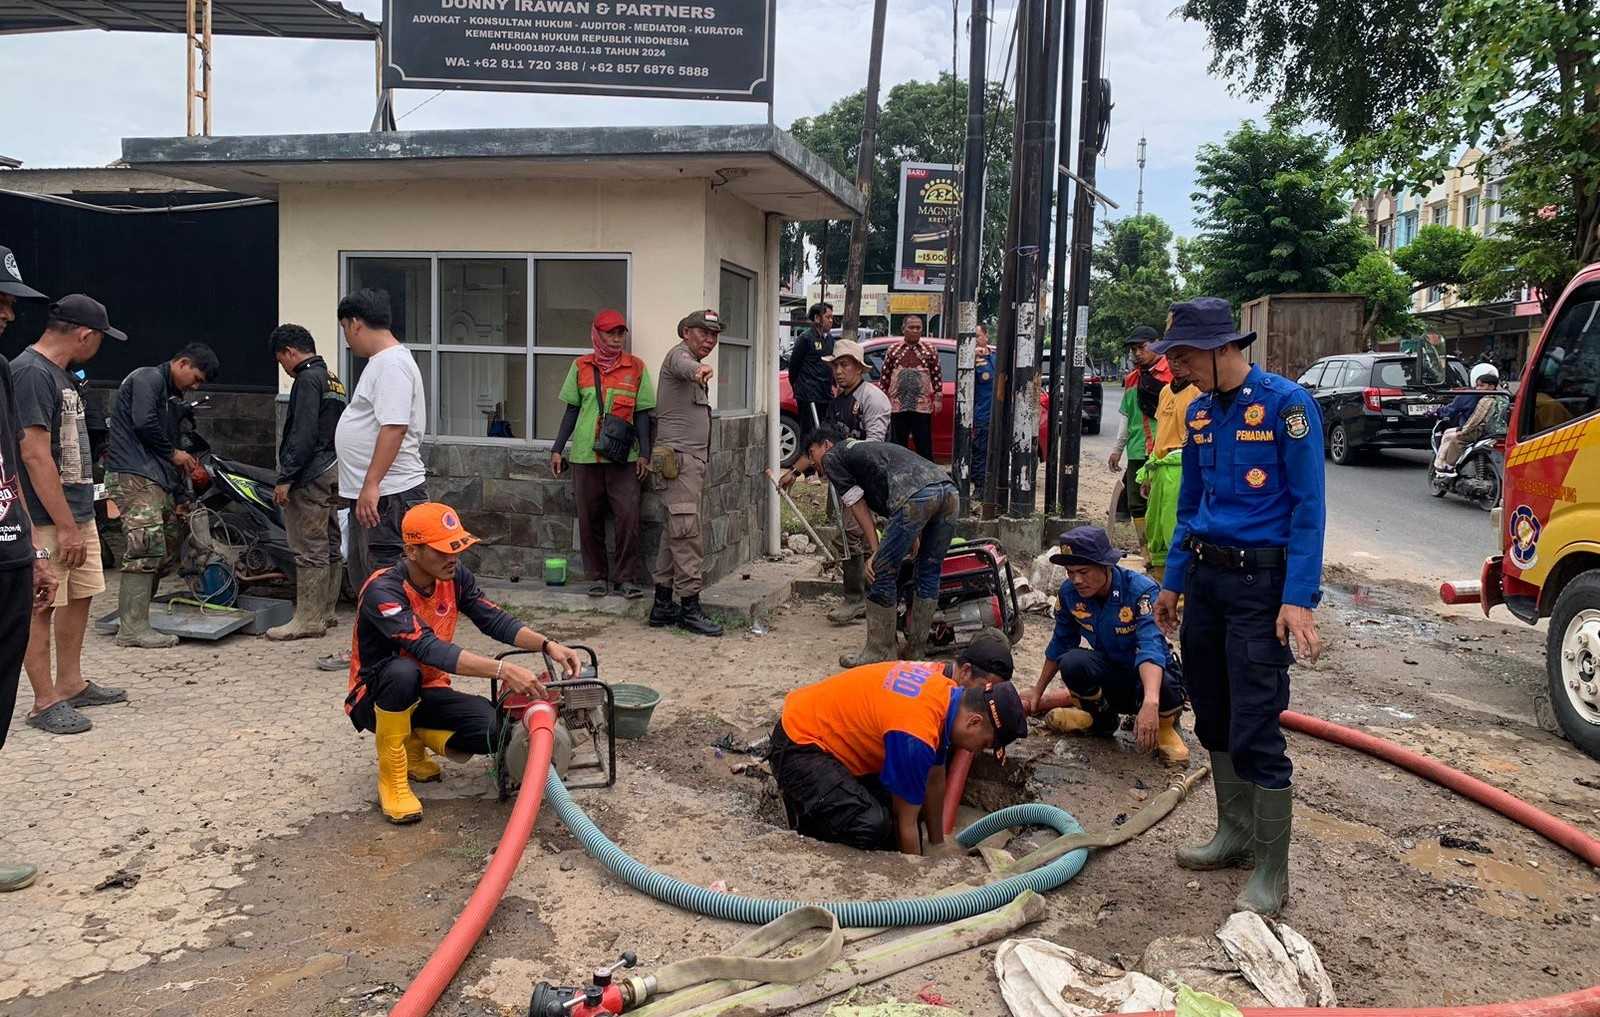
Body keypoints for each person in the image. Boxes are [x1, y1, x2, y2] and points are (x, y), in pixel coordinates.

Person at [1149, 297, 1326, 918]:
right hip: (1206, 582)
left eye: (1187, 357)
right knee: (1214, 714)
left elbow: (1309, 508)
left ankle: (1272, 872)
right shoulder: (1197, 415)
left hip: (1261, 587)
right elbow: (1191, 505)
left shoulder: (1287, 407)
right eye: (1174, 359)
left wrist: (1298, 599)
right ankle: (1235, 833)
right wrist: (1172, 582)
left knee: (1256, 723)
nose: (1179, 370)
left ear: (1227, 349)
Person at [345, 502, 581, 823]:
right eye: (442, 551)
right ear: (412, 551)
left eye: (456, 548)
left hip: (427, 690)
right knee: (402, 672)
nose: (452, 558)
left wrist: (547, 644)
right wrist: (502, 670)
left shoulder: (454, 577)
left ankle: (415, 742)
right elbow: (428, 648)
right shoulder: (383, 590)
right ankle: (392, 779)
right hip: (374, 697)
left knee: (493, 731)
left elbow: (493, 619)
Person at [768, 650, 1028, 855]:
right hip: (799, 746)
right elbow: (906, 823)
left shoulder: (945, 695)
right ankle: (805, 826)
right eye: (984, 743)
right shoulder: (916, 733)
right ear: (973, 721)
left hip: (825, 737)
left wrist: (938, 843)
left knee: (893, 810)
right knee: (873, 825)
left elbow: (936, 778)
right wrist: (917, 874)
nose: (976, 750)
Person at [14, 296, 128, 735]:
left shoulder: (59, 375)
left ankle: (71, 683)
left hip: (76, 508)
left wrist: (80, 518)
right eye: (100, 338)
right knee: (41, 604)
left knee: (80, 594)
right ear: (86, 335)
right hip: (46, 516)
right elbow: (34, 454)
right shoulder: (29, 373)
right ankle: (43, 702)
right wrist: (63, 526)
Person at [0, 245, 64, 891]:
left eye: (10, 297)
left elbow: (8, 466)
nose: (8, 309)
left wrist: (31, 547)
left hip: (11, 555)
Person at [324, 288, 428, 671]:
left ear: (355, 323)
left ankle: (400, 653)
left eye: (345, 329)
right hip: (372, 494)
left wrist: (371, 486)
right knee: (368, 580)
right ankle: (370, 650)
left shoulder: (391, 365)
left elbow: (394, 427)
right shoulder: (382, 363)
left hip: (390, 494)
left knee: (388, 578)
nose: (347, 339)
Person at [1024, 526, 1188, 765]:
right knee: (1072, 662)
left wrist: (1151, 702)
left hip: (1150, 682)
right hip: (1112, 674)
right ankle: (1100, 721)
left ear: (1106, 565)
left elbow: (1150, 647)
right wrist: (1037, 691)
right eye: (1070, 572)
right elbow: (1059, 643)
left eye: (1083, 571)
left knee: (1161, 680)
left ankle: (1164, 727)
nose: (1077, 580)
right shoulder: (1070, 594)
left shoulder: (1141, 592)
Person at [805, 426, 959, 667]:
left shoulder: (833, 457)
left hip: (915, 496)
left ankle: (880, 650)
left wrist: (876, 550)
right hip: (947, 490)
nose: (814, 463)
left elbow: (857, 505)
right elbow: (901, 493)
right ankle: (916, 650)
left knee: (879, 571)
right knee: (929, 571)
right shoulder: (865, 451)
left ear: (825, 445)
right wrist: (912, 534)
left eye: (811, 453)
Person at [106, 341, 220, 648]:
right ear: (182, 363)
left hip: (156, 477)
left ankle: (137, 616)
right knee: (145, 545)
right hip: (133, 473)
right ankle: (132, 629)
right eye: (196, 378)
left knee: (167, 545)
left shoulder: (172, 397)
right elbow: (144, 423)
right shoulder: (147, 378)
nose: (196, 386)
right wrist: (174, 454)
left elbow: (172, 444)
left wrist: (181, 496)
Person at [779, 339, 890, 625]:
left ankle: (862, 599)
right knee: (851, 537)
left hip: (870, 481)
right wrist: (795, 470)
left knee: (857, 537)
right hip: (846, 481)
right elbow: (822, 443)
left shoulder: (872, 399)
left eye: (845, 365)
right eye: (836, 366)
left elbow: (874, 450)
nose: (839, 371)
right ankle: (862, 598)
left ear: (859, 368)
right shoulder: (838, 400)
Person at [551, 309, 655, 599]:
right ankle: (596, 577)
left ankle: (627, 579)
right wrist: (557, 448)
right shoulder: (580, 366)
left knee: (628, 519)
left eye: (621, 333)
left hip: (624, 458)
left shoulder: (636, 367)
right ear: (597, 334)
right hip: (585, 455)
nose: (616, 338)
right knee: (589, 520)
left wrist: (645, 454)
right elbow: (571, 411)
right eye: (610, 333)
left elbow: (644, 414)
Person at [266, 324, 347, 640]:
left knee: (308, 544)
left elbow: (303, 433)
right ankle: (326, 613)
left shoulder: (307, 379)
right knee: (329, 541)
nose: (283, 368)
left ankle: (309, 620)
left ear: (289, 351)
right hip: (333, 469)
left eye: (280, 360)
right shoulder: (333, 379)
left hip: (310, 473)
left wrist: (286, 477)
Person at [649, 309, 723, 637]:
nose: (709, 339)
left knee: (675, 534)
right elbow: (686, 366)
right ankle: (690, 608)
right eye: (703, 333)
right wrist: (700, 370)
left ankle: (663, 605)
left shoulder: (686, 357)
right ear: (686, 332)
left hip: (687, 463)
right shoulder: (679, 357)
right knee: (687, 535)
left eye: (714, 335)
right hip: (678, 463)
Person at [1108, 326, 1171, 555]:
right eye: (1134, 349)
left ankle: (1161, 550)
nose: (1137, 353)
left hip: (1165, 452)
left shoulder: (1172, 374)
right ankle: (1145, 550)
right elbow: (1126, 418)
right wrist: (1117, 449)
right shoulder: (1132, 379)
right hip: (1137, 449)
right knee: (1137, 503)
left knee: (1161, 501)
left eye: (1141, 347)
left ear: (1157, 344)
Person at [1135, 368, 1201, 583]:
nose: (1174, 363)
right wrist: (1148, 472)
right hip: (1160, 467)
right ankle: (1163, 584)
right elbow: (1160, 433)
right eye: (1171, 357)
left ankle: (1180, 589)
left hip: (1181, 466)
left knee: (1175, 529)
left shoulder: (1198, 393)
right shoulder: (1165, 391)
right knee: (1155, 527)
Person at [880, 316, 942, 460]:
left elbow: (937, 375)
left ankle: (926, 477)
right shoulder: (893, 350)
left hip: (921, 406)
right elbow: (885, 377)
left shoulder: (930, 350)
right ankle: (899, 475)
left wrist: (938, 399)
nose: (915, 331)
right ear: (903, 329)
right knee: (897, 445)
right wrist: (883, 400)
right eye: (911, 327)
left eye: (918, 328)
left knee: (924, 444)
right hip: (897, 406)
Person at [1433, 365, 1501, 473]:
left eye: (1481, 386)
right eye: (1478, 386)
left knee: (1454, 439)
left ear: (1491, 386)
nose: (1478, 388)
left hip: (1479, 431)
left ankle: (1448, 467)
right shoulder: (1503, 396)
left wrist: (1463, 431)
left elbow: (1475, 420)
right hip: (1495, 431)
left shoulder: (1482, 399)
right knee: (1447, 433)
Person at [788, 302, 836, 432]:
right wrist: (799, 388)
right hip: (809, 396)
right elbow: (793, 367)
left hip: (825, 394)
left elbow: (831, 366)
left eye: (832, 317)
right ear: (817, 318)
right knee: (810, 433)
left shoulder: (830, 339)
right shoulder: (806, 338)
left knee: (823, 433)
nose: (831, 321)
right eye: (828, 317)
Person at [971, 324, 996, 489]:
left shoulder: (996, 356)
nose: (975, 340)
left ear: (986, 336)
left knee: (996, 453)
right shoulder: (970, 360)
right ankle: (979, 488)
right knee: (980, 453)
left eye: (977, 336)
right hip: (982, 415)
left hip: (999, 415)